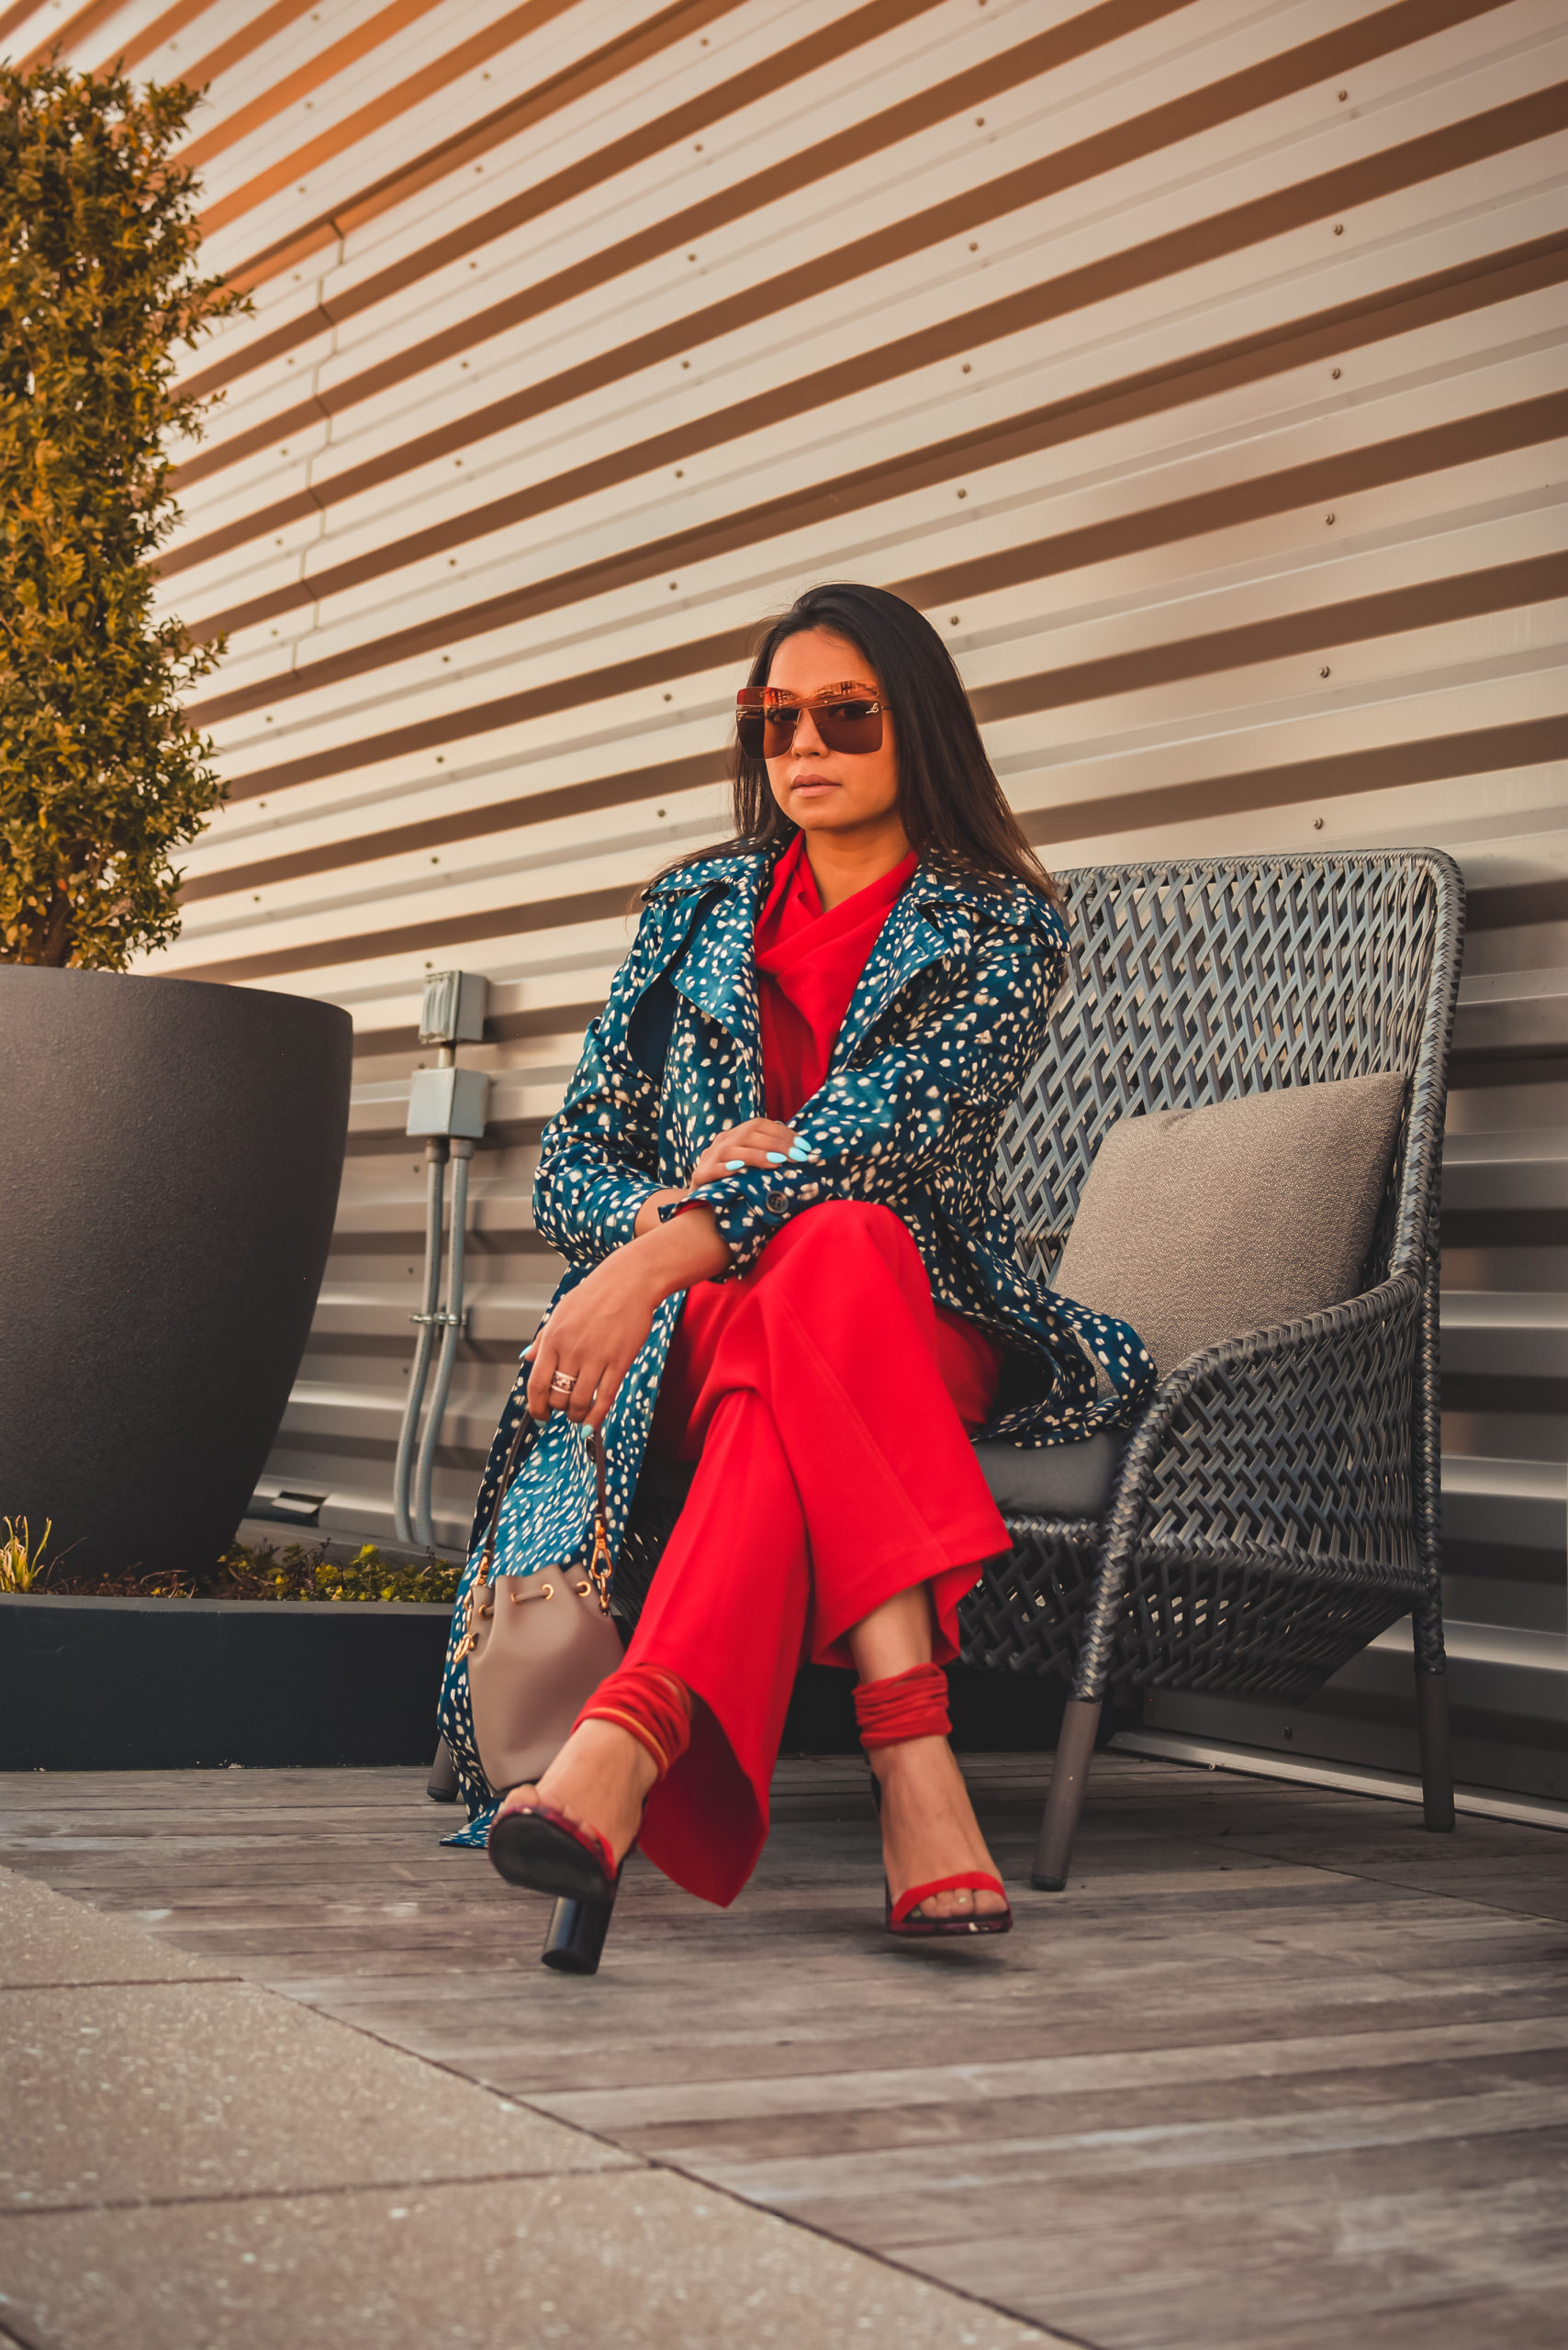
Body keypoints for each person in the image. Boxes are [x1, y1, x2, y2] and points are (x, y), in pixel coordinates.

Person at [437, 581, 1151, 1958]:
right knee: (814, 1263)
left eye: (845, 713)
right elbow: (571, 1157)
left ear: (917, 725)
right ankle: (912, 1761)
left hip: (927, 1308)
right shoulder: (695, 905)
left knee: (843, 1239)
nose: (803, 745)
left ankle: (619, 1755)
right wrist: (665, 1203)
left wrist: (664, 1256)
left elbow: (877, 1139)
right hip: (731, 1320)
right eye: (775, 720)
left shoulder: (1001, 925)